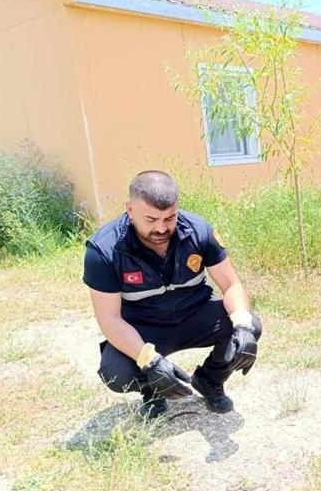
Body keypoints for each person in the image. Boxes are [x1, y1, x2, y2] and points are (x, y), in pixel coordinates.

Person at [82, 170, 262, 419]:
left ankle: (209, 380)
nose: (161, 228)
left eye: (170, 218)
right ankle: (153, 391)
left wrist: (243, 326)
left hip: (193, 315)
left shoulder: (199, 231)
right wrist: (149, 360)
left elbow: (231, 285)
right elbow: (109, 320)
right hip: (144, 328)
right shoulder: (104, 250)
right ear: (130, 210)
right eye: (151, 219)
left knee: (248, 325)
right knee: (116, 371)